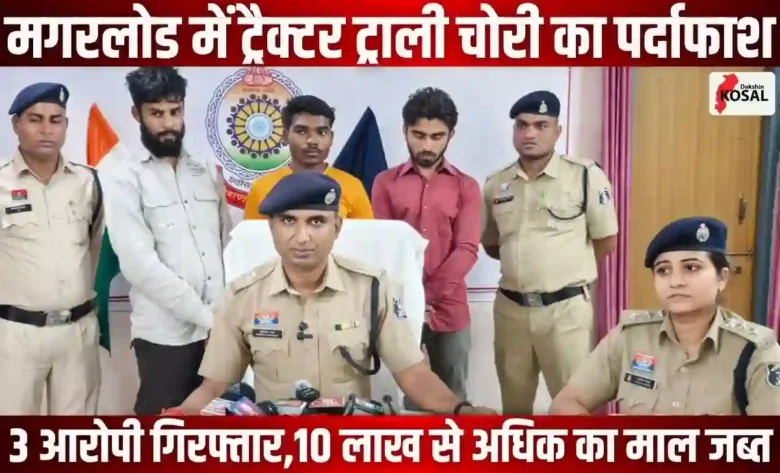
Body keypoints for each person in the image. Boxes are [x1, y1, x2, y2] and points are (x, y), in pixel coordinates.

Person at [173, 172, 495, 415]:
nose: (302, 237)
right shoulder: (243, 296)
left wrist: (461, 410)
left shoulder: (371, 288)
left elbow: (413, 374)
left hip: (348, 443)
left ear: (337, 228)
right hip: (276, 446)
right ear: (271, 227)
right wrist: (182, 415)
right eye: (288, 221)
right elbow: (215, 385)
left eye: (316, 222)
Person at [550, 217, 780, 415]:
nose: (675, 281)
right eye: (663, 270)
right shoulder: (630, 336)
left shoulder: (757, 351)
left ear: (722, 278)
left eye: (691, 268)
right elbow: (566, 403)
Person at [101, 67, 232, 415]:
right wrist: (207, 318)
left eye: (175, 111)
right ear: (137, 114)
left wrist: (222, 319)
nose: (168, 123)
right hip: (165, 336)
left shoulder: (205, 170)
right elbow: (139, 266)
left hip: (218, 331)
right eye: (156, 114)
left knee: (219, 425)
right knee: (163, 429)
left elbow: (224, 245)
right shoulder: (124, 177)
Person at [481, 90, 618, 414]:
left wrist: (563, 271)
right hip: (511, 312)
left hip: (565, 311)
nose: (530, 133)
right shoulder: (496, 183)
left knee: (573, 403)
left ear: (558, 131)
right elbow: (492, 244)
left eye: (541, 125)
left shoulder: (584, 175)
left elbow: (605, 240)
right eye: (522, 125)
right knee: (514, 406)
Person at [372, 87, 480, 404]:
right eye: (419, 135)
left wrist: (426, 296)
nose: (427, 145)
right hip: (399, 309)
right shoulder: (385, 182)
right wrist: (410, 299)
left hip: (450, 310)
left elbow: (466, 249)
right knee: (411, 396)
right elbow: (384, 249)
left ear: (451, 135)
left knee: (453, 397)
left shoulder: (466, 186)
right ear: (404, 131)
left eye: (437, 136)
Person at [0, 83, 103, 414]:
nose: (47, 129)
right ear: (16, 124)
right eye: (35, 119)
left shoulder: (88, 182)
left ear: (66, 125)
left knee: (75, 438)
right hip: (15, 335)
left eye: (56, 120)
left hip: (77, 333)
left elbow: (94, 247)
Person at [243, 95, 374, 220]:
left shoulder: (352, 186)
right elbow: (251, 235)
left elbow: (367, 234)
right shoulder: (261, 187)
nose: (312, 140)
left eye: (321, 132)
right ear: (285, 136)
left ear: (331, 138)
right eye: (301, 131)